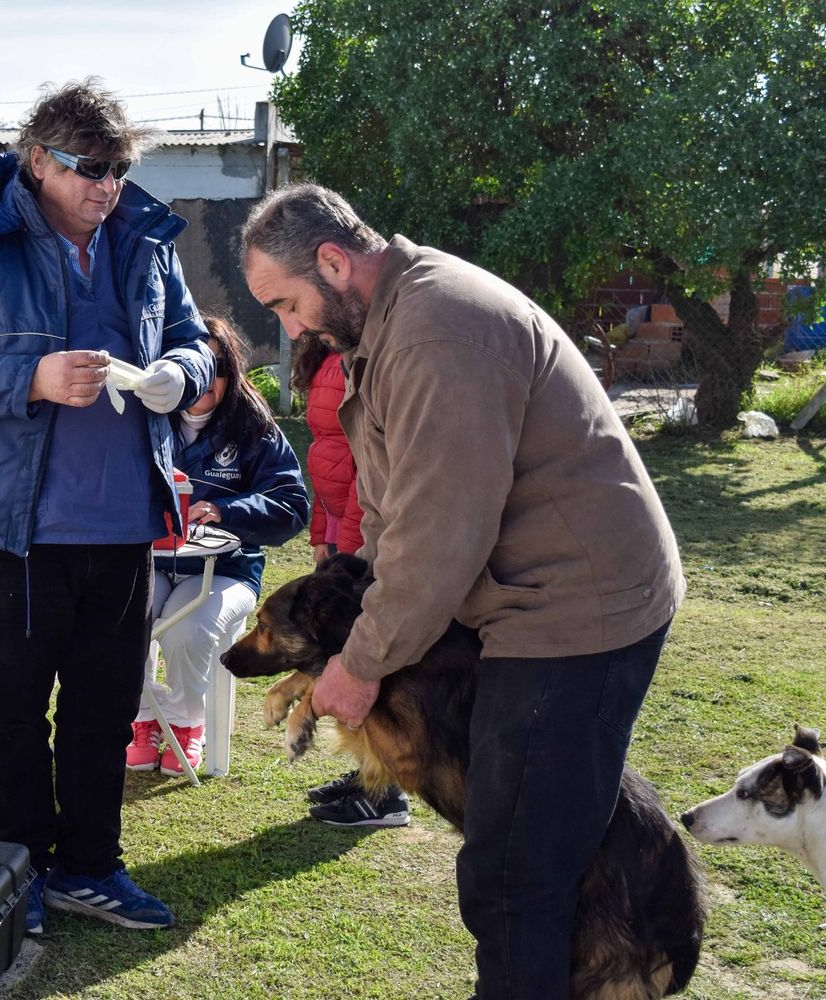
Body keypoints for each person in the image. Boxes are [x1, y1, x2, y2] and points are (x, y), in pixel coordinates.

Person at [240, 185, 683, 998]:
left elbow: (439, 534)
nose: (291, 328)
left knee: (513, 876)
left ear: (334, 262)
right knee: (524, 853)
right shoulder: (387, 325)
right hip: (523, 598)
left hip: (575, 611)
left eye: (287, 304)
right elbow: (391, 513)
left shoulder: (439, 330)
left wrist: (361, 664)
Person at [0, 79, 214, 936]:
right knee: (12, 711)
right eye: (89, 168)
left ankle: (90, 867)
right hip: (16, 530)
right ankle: (18, 869)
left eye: (118, 168)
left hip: (123, 526)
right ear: (37, 161)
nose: (106, 186)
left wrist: (178, 376)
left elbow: (194, 339)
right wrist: (29, 379)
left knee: (104, 710)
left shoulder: (148, 244)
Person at [129, 316, 308, 775]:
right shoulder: (142, 417)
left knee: (185, 629)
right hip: (148, 559)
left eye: (216, 368)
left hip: (225, 568)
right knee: (121, 615)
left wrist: (225, 510)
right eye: (194, 368)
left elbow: (292, 506)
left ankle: (188, 723)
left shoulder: (255, 428)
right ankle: (142, 720)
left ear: (232, 372)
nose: (204, 381)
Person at [294, 331, 410, 827]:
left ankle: (388, 794)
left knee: (377, 662)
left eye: (289, 305)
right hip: (345, 526)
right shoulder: (324, 358)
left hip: (372, 523)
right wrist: (322, 531)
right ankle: (368, 773)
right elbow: (326, 454)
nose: (288, 320)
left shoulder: (369, 356)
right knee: (343, 653)